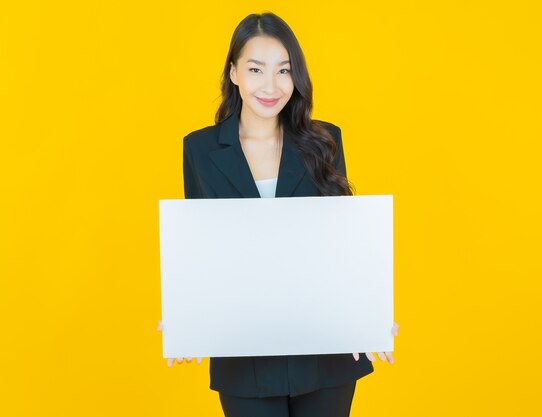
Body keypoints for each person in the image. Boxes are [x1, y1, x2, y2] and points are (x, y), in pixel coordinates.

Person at [157, 12, 399, 417]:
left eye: (283, 71)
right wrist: (186, 313)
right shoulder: (199, 150)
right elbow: (201, 248)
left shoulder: (324, 140)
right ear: (233, 73)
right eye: (255, 69)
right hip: (244, 353)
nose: (270, 86)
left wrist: (367, 311)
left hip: (325, 347)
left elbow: (339, 241)